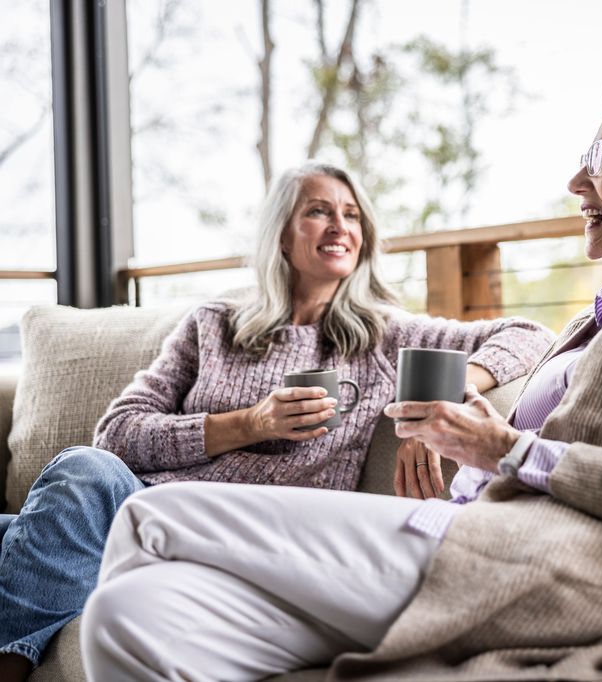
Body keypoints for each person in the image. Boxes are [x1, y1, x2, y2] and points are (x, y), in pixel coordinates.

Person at [81, 62, 602, 681]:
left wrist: (503, 448)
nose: (576, 179)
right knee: (130, 616)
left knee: (152, 512)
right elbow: (119, 431)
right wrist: (463, 443)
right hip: (468, 535)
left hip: (549, 568)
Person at [0, 162, 552, 681]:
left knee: (45, 516)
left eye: (352, 214)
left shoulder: (382, 335)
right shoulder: (214, 326)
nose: (340, 225)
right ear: (282, 236)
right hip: (140, 510)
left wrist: (439, 402)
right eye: (318, 211)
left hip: (253, 536)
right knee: (84, 471)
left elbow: (530, 334)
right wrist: (250, 423)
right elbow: (117, 434)